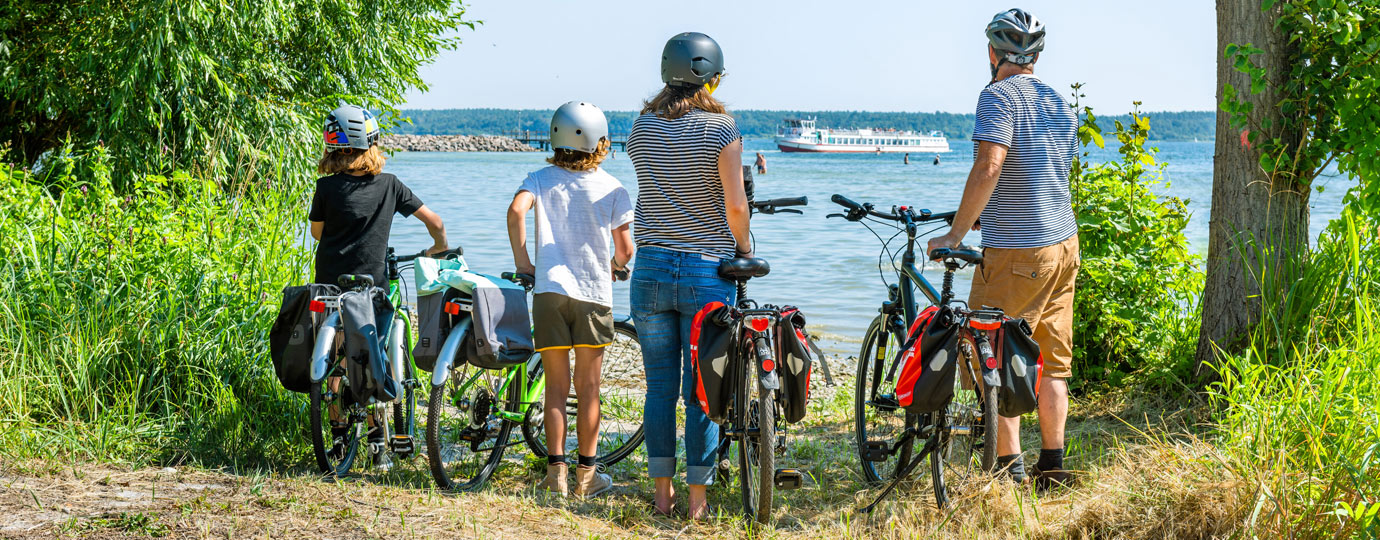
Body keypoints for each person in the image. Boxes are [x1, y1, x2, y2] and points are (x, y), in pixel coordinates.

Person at [926, 8, 1080, 492]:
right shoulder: (1059, 102)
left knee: (992, 350)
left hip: (1017, 250)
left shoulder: (996, 96)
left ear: (992, 53)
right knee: (1053, 361)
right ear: (1036, 56)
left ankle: (1006, 468)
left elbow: (990, 165)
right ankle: (1051, 465)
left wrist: (956, 233)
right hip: (1064, 243)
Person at [626, 32, 748, 520]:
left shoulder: (641, 126)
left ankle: (662, 497)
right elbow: (736, 205)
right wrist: (743, 247)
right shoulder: (722, 130)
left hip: (651, 267)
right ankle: (697, 505)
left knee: (659, 387)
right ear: (710, 76)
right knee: (702, 389)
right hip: (704, 270)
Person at [310, 101, 449, 470]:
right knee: (375, 358)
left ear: (332, 146)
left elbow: (316, 233)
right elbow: (435, 222)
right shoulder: (389, 185)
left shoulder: (325, 188)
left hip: (329, 287)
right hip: (372, 291)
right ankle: (376, 442)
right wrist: (438, 250)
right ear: (372, 143)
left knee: (337, 361)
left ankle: (339, 433)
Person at [507, 101, 634, 498]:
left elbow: (515, 211)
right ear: (601, 142)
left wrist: (525, 262)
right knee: (589, 389)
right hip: (593, 295)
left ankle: (555, 475)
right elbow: (626, 250)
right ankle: (587, 477)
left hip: (548, 292)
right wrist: (612, 265)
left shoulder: (540, 178)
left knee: (556, 389)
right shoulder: (613, 187)